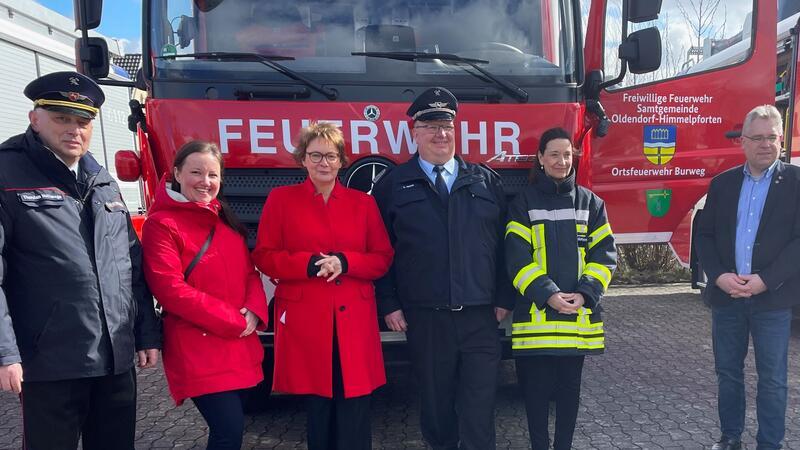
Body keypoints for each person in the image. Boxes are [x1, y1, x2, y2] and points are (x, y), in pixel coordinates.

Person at [0, 71, 161, 449]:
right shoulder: (7, 174)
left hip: (114, 359)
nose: (74, 130)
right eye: (62, 118)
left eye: (83, 121)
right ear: (35, 118)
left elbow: (131, 267)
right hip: (49, 363)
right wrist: (6, 352)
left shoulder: (102, 180)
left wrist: (145, 333)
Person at [372, 87, 514, 450]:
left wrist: (504, 296)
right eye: (431, 125)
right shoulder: (393, 185)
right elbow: (379, 250)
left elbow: (505, 246)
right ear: (414, 132)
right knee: (436, 409)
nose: (441, 134)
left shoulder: (484, 181)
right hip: (426, 318)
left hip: (481, 317)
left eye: (447, 125)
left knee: (480, 407)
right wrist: (388, 303)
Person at [252, 122, 393, 450]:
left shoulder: (363, 204)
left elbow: (382, 258)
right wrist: (308, 264)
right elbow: (265, 256)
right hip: (307, 318)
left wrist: (345, 262)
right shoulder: (281, 200)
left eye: (331, 156)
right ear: (302, 159)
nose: (323, 163)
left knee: (355, 403)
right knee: (318, 405)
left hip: (354, 318)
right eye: (315, 155)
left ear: (342, 160)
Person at [141, 141, 269, 450]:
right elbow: (170, 290)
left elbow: (249, 273)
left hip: (238, 343)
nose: (205, 181)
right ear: (177, 173)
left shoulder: (223, 218)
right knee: (228, 430)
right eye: (196, 172)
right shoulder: (161, 224)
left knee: (232, 431)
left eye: (213, 174)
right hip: (199, 346)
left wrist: (253, 309)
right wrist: (233, 320)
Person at [695, 104, 800, 450]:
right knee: (728, 374)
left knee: (772, 379)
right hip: (728, 298)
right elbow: (704, 235)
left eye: (772, 137)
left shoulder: (797, 183)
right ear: (742, 141)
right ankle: (730, 438)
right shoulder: (722, 184)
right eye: (757, 138)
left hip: (772, 298)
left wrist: (766, 280)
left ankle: (770, 443)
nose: (765, 144)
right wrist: (719, 276)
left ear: (780, 141)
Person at [505, 127, 616, 450]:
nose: (561, 160)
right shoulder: (523, 203)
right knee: (536, 396)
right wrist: (549, 294)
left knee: (569, 395)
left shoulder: (591, 204)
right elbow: (516, 259)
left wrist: (584, 294)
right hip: (538, 319)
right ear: (540, 158)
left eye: (567, 154)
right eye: (554, 154)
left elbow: (604, 257)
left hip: (576, 318)